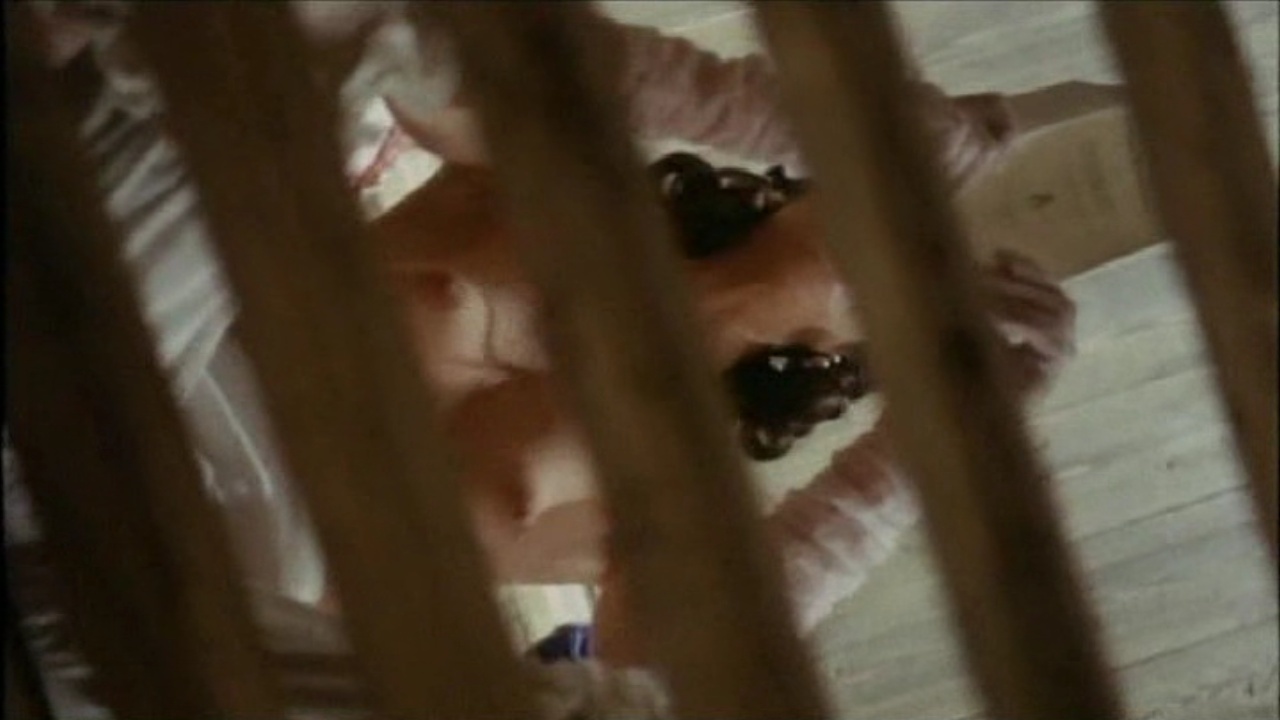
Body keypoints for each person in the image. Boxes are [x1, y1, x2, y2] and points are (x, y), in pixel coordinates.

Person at [10, 3, 1075, 716]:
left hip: (163, 606)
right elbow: (446, 46)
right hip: (124, 375)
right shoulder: (539, 195)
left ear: (842, 350)